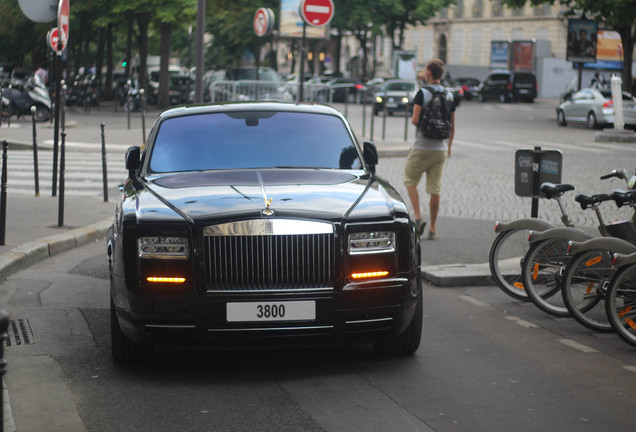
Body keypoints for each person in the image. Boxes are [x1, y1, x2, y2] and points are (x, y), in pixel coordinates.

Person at [404, 59, 456, 239]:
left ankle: (418, 218)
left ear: (429, 73)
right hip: (440, 148)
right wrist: (448, 148)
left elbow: (415, 120)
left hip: (422, 147)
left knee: (410, 180)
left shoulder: (423, 93)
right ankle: (433, 227)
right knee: (435, 188)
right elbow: (452, 125)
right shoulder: (449, 95)